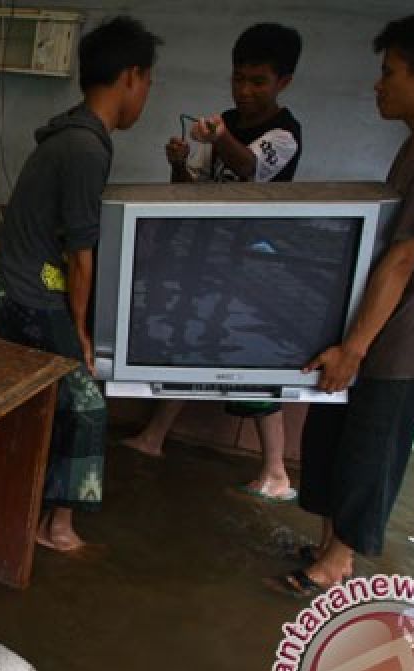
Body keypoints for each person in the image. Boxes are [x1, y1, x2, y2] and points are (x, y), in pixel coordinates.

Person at [270, 10, 414, 596]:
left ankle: (337, 564)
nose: (379, 84)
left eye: (389, 72)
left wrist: (354, 349)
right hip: (383, 332)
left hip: (412, 342)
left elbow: (403, 258)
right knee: (329, 442)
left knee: (369, 452)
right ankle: (327, 545)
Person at [0, 16, 162, 551]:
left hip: (13, 280)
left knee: (43, 401)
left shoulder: (70, 131)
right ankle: (56, 526)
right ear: (131, 77)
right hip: (29, 288)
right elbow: (80, 258)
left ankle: (19, 505)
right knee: (87, 405)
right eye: (149, 82)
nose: (147, 94)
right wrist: (81, 335)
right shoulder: (86, 148)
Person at [122, 23, 304, 504]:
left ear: (283, 81)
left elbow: (249, 168)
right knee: (190, 340)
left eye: (257, 81)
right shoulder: (222, 122)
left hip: (253, 262)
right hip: (208, 255)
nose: (244, 91)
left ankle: (276, 471)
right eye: (238, 79)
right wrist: (179, 161)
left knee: (253, 358)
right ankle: (154, 436)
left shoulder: (285, 134)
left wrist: (219, 137)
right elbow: (191, 191)